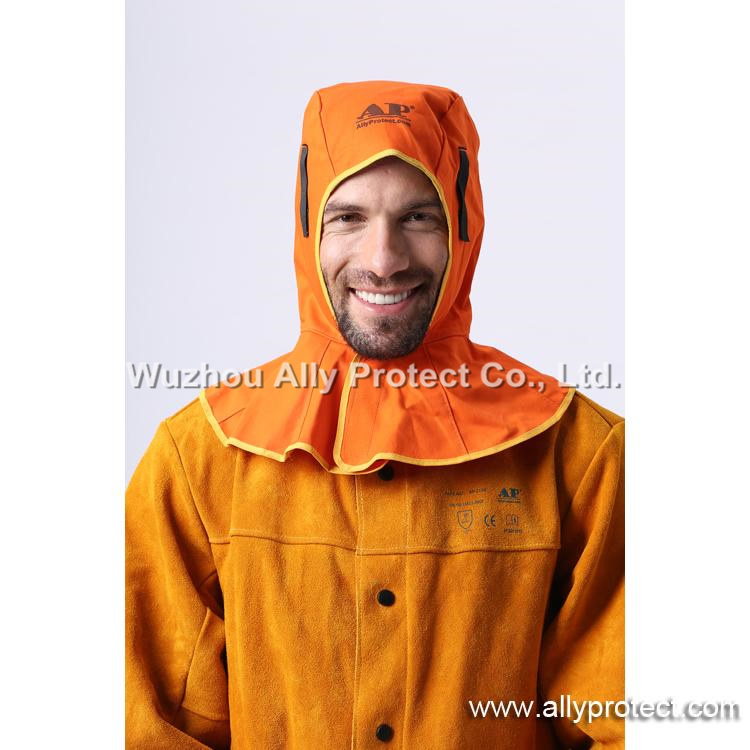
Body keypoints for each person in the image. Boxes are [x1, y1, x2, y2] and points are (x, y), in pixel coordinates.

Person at [126, 80, 624, 749]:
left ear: (465, 227)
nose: (383, 259)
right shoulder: (199, 460)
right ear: (308, 227)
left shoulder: (579, 454)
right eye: (348, 218)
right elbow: (143, 725)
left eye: (418, 216)